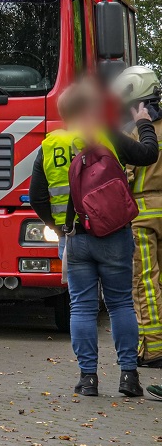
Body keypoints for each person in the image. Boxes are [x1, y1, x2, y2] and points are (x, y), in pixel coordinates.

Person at [29, 79, 157, 397]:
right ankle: (129, 377)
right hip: (115, 234)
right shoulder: (109, 134)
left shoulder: (50, 144)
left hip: (75, 238)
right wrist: (143, 124)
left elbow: (36, 198)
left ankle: (88, 380)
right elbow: (148, 155)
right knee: (121, 304)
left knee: (82, 308)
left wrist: (57, 226)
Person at [111, 67, 162, 369]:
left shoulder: (132, 134)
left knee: (145, 283)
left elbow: (122, 179)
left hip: (142, 217)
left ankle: (152, 348)